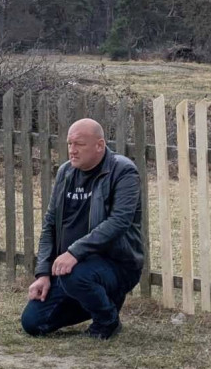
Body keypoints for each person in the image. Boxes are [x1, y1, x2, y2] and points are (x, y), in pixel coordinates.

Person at [21, 118, 143, 340]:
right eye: (69, 144)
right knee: (32, 323)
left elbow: (118, 221)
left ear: (99, 145)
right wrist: (43, 273)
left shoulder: (123, 171)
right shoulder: (66, 172)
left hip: (115, 265)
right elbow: (50, 224)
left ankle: (108, 320)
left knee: (75, 276)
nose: (72, 150)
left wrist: (75, 252)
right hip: (70, 269)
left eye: (79, 144)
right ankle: (99, 301)